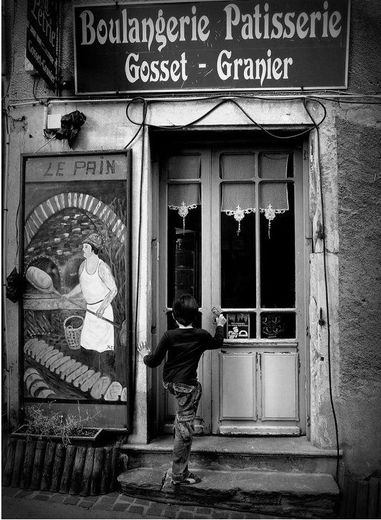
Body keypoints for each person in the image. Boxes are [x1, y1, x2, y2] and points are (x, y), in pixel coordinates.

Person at [137, 294, 227, 485]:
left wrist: (145, 355)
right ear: (195, 316)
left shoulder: (169, 335)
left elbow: (154, 362)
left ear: (174, 317)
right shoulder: (201, 335)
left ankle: (180, 426)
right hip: (187, 386)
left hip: (170, 383)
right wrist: (220, 324)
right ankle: (179, 475)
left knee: (182, 420)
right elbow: (218, 342)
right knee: (185, 432)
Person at [65, 233, 117, 370]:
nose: (83, 249)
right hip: (90, 312)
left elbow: (114, 290)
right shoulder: (82, 266)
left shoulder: (102, 267)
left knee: (104, 350)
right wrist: (69, 295)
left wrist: (102, 308)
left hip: (103, 312)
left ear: (93, 249)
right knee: (87, 346)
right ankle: (90, 377)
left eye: (86, 247)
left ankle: (107, 377)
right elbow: (81, 286)